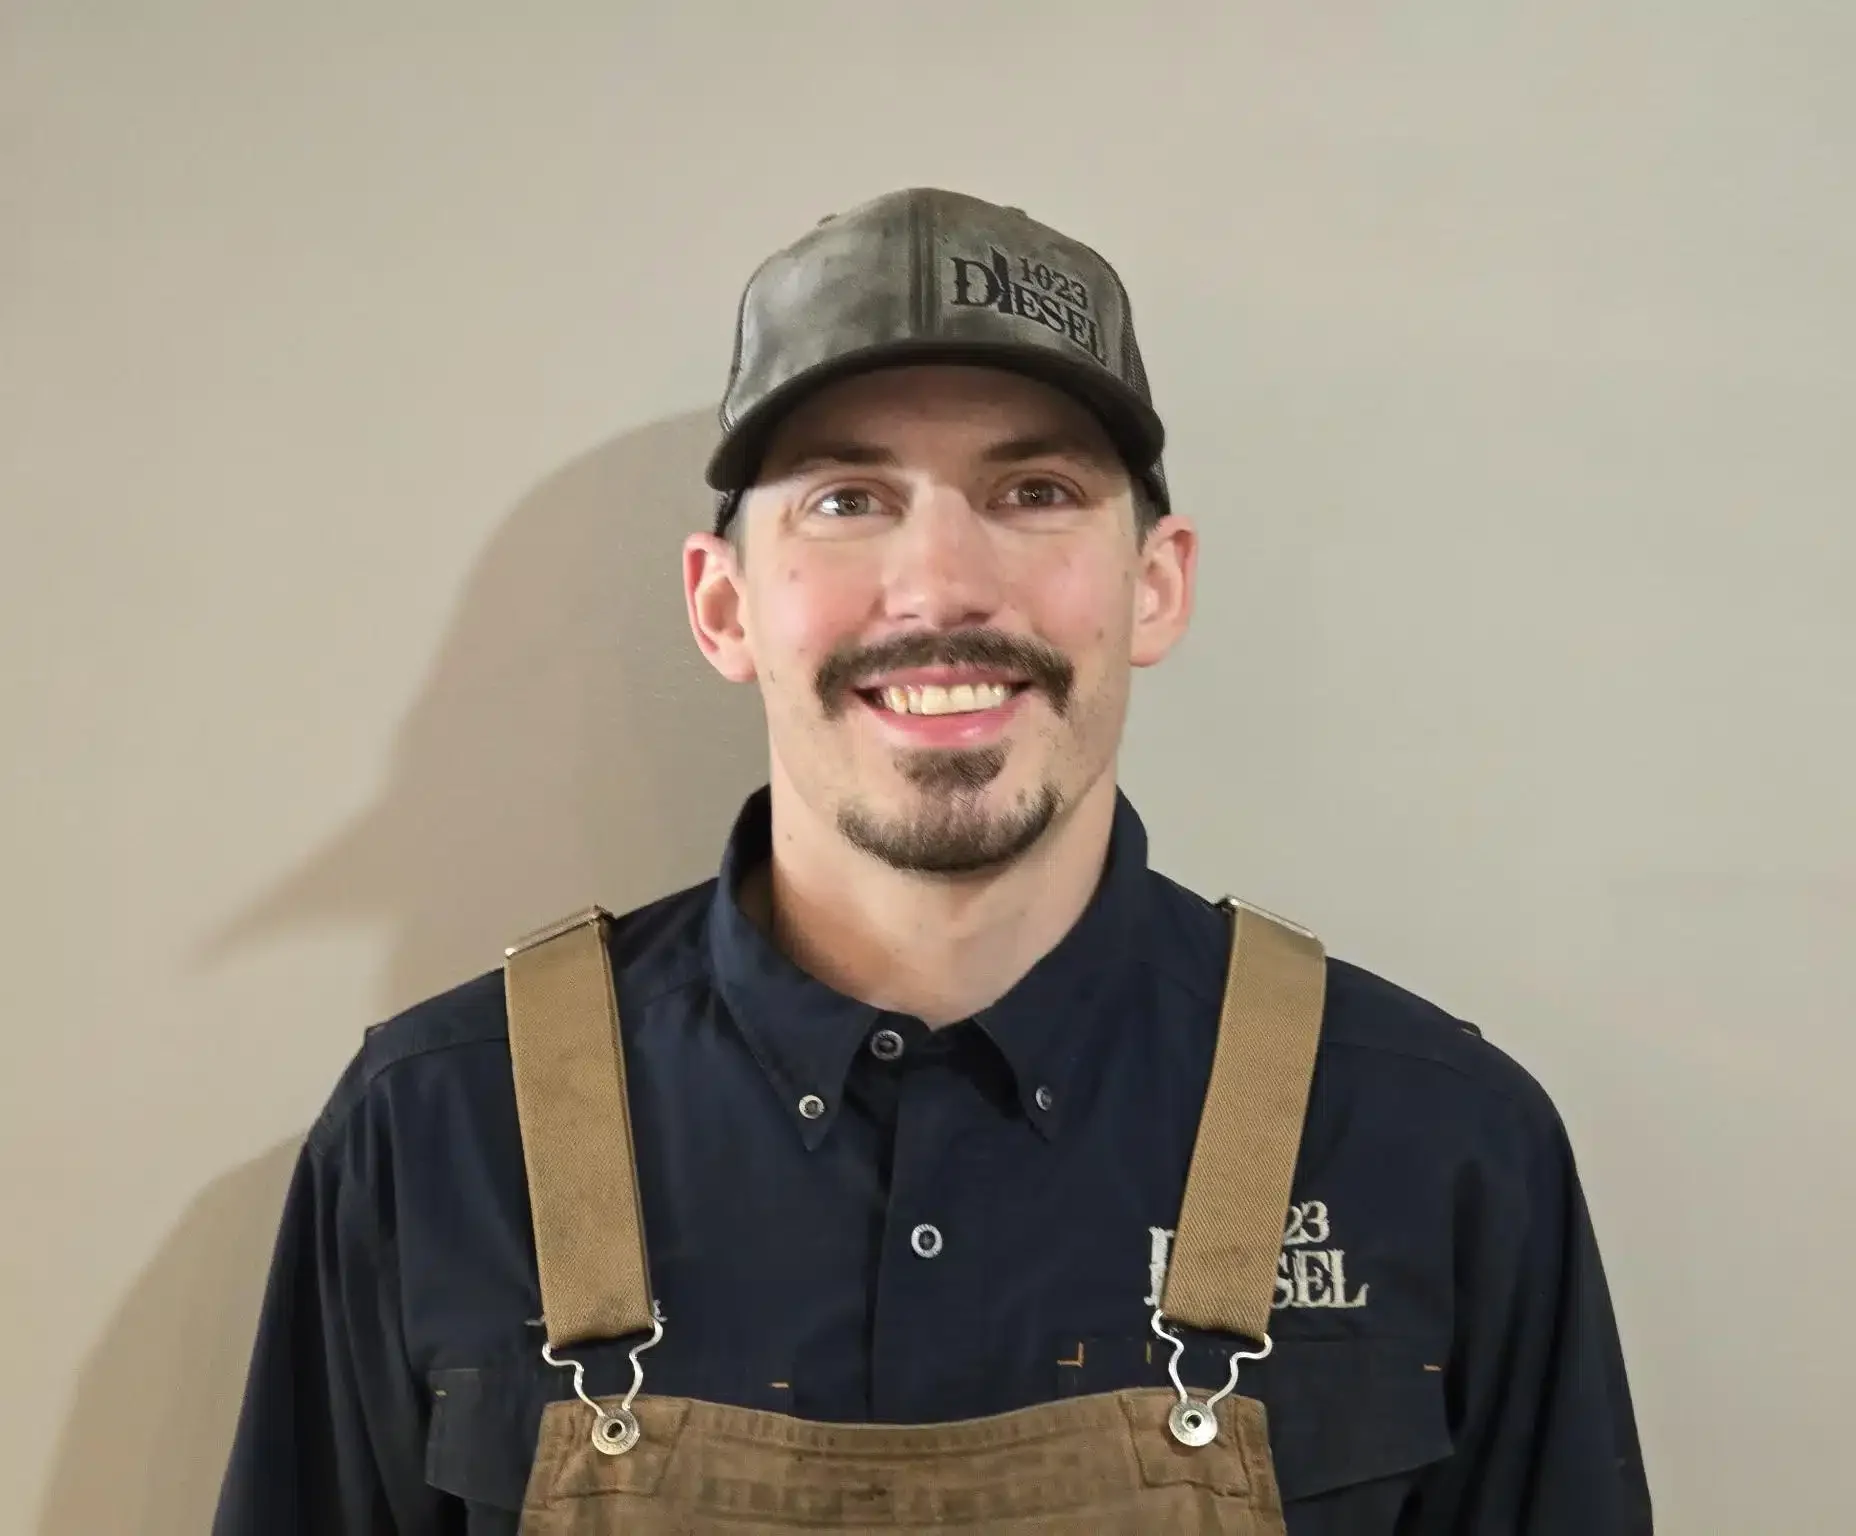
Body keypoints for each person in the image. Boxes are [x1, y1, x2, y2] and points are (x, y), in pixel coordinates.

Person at [214, 188, 1652, 1534]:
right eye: (848, 500)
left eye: (1033, 493)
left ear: (1156, 585)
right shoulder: (439, 1137)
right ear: (724, 607)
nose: (944, 585)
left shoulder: (1441, 1145)